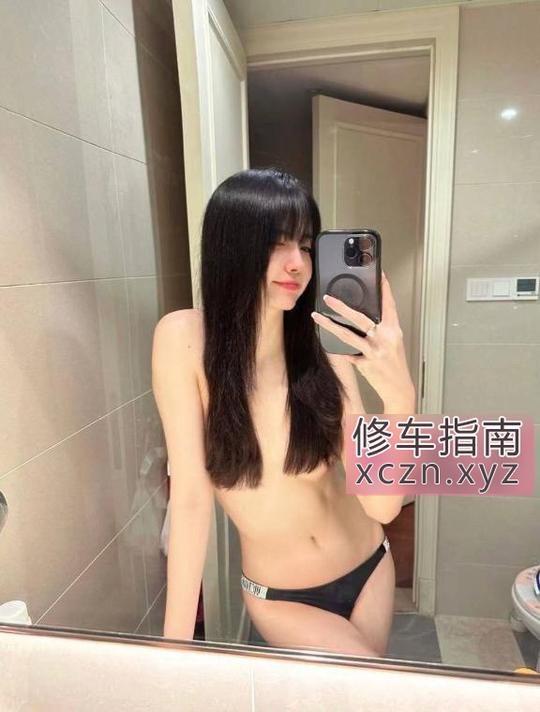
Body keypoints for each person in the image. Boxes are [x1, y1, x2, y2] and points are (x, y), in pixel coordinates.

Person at [152, 167, 415, 657]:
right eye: (276, 243)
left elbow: (383, 507)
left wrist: (401, 403)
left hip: (370, 568)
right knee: (382, 690)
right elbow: (189, 500)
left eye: (307, 246)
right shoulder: (183, 340)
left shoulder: (325, 356)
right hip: (284, 598)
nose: (297, 263)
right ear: (231, 247)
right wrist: (176, 648)